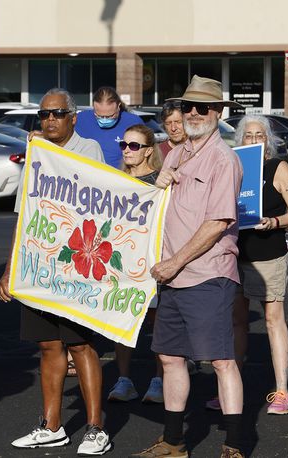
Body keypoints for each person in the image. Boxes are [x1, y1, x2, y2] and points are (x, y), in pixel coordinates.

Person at [131, 75, 244, 458]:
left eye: (204, 107)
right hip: (172, 276)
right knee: (169, 357)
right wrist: (159, 182)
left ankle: (234, 444)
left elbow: (217, 223)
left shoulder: (222, 160)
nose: (194, 113)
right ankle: (174, 441)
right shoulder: (177, 152)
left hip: (206, 273)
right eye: (188, 107)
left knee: (221, 361)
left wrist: (174, 262)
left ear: (218, 113)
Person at [0, 88, 113, 456]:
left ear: (73, 117)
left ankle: (96, 427)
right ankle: (51, 426)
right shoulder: (35, 155)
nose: (49, 120)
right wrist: (8, 270)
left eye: (58, 114)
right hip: (39, 265)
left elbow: (103, 204)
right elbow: (23, 218)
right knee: (48, 346)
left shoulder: (89, 149)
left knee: (80, 344)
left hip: (78, 265)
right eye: (44, 115)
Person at [234, 115, 288, 414]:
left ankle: (282, 391)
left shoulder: (279, 168)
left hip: (268, 253)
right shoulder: (234, 166)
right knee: (236, 323)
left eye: (258, 135)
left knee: (273, 319)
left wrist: (274, 221)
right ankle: (231, 390)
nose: (253, 140)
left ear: (268, 139)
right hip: (234, 253)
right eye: (248, 135)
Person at [107, 124, 164, 404]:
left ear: (148, 151)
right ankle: (124, 379)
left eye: (134, 146)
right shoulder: (115, 179)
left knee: (156, 322)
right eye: (124, 145)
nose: (127, 151)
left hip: (152, 261)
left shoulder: (159, 183)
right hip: (122, 261)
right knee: (122, 319)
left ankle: (158, 380)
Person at [75, 86, 143, 169]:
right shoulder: (80, 120)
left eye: (110, 116)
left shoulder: (133, 122)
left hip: (121, 177)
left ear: (118, 106)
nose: (104, 120)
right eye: (99, 116)